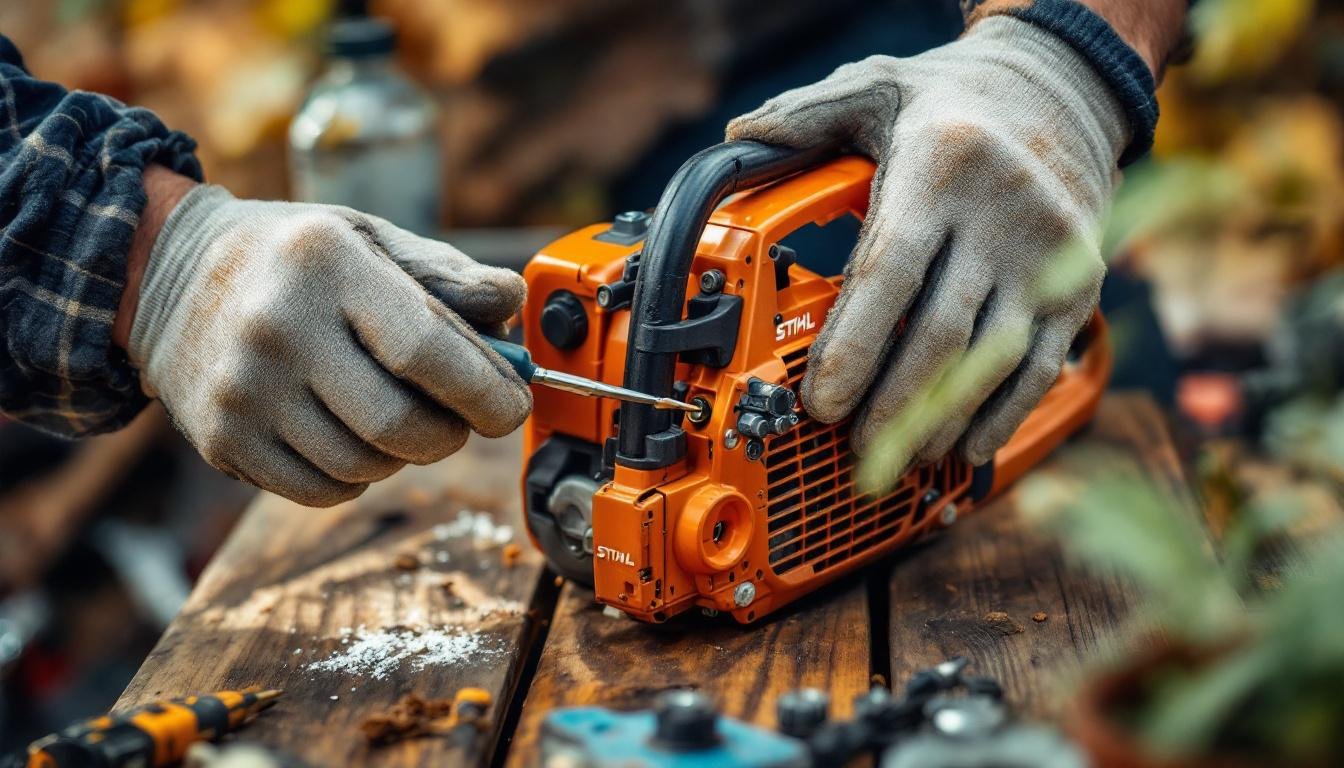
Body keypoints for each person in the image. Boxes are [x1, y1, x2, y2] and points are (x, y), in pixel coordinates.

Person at [0, 0, 1188, 506]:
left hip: (881, 53)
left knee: (1105, 467)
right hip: (484, 108)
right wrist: (142, 253)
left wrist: (1066, 52)